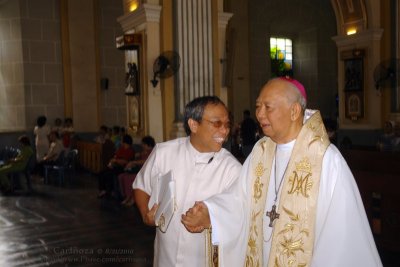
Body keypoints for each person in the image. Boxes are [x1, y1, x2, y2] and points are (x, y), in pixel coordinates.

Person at [182, 77, 382, 266]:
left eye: (267, 107)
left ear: (294, 111)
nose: (259, 114)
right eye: (258, 106)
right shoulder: (261, 151)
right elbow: (239, 199)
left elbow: (341, 233)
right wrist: (212, 212)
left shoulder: (325, 159)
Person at [133, 96, 241, 267]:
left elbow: (240, 215)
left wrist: (210, 218)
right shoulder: (164, 153)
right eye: (217, 123)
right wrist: (145, 214)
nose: (225, 131)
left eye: (227, 124)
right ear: (193, 125)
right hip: (165, 258)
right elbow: (141, 186)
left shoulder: (233, 169)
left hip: (202, 260)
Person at [118, 135, 155, 206]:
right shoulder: (144, 151)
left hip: (146, 173)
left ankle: (132, 198)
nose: (142, 145)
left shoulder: (152, 151)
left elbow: (145, 162)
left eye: (143, 144)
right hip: (139, 170)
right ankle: (127, 196)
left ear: (148, 144)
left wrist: (134, 162)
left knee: (128, 178)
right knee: (121, 176)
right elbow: (138, 160)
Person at [97, 134, 135, 198]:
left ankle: (110, 192)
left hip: (123, 167)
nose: (121, 141)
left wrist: (115, 161)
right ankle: (103, 190)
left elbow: (126, 161)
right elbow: (115, 156)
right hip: (115, 165)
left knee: (109, 174)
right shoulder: (121, 148)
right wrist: (111, 163)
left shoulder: (130, 150)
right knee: (102, 172)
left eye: (122, 140)